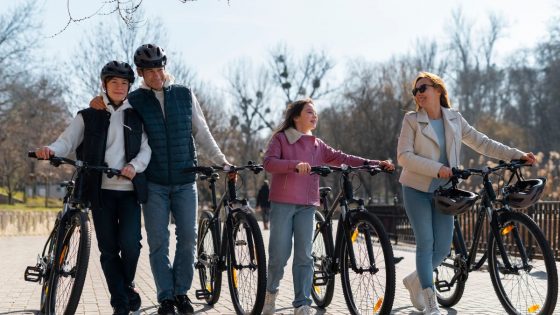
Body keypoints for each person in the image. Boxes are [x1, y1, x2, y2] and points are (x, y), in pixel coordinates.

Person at [90, 44, 229, 315]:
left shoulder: (184, 94)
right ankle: (165, 297)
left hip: (185, 179)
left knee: (188, 238)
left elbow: (202, 131)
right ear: (141, 73)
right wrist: (95, 101)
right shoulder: (137, 99)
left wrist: (221, 160)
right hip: (153, 182)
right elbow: (113, 103)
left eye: (159, 69)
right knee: (158, 242)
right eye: (150, 71)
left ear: (165, 68)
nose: (156, 75)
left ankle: (181, 293)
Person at [397, 72, 536, 315]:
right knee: (426, 243)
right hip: (416, 189)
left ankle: (415, 279)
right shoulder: (411, 120)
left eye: (423, 88)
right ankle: (431, 301)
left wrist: (516, 155)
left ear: (438, 90)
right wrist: (437, 168)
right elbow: (404, 157)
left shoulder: (454, 118)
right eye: (415, 91)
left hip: (443, 191)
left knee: (441, 248)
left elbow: (483, 143)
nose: (418, 94)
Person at [36, 61, 151, 315]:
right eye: (114, 83)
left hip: (129, 191)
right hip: (100, 192)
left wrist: (134, 165)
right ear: (104, 85)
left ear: (129, 86)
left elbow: (146, 148)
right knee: (109, 249)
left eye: (124, 83)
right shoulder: (88, 115)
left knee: (131, 245)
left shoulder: (137, 115)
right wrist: (51, 150)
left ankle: (127, 284)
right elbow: (66, 141)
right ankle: (120, 302)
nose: (119, 87)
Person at [262, 98, 394, 315]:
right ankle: (271, 293)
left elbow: (343, 158)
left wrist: (374, 163)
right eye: (309, 112)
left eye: (315, 113)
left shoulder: (317, 144)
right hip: (283, 203)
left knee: (305, 255)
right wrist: (294, 166)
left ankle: (302, 303)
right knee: (280, 255)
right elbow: (269, 163)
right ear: (296, 117)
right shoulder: (281, 139)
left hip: (307, 205)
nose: (315, 116)